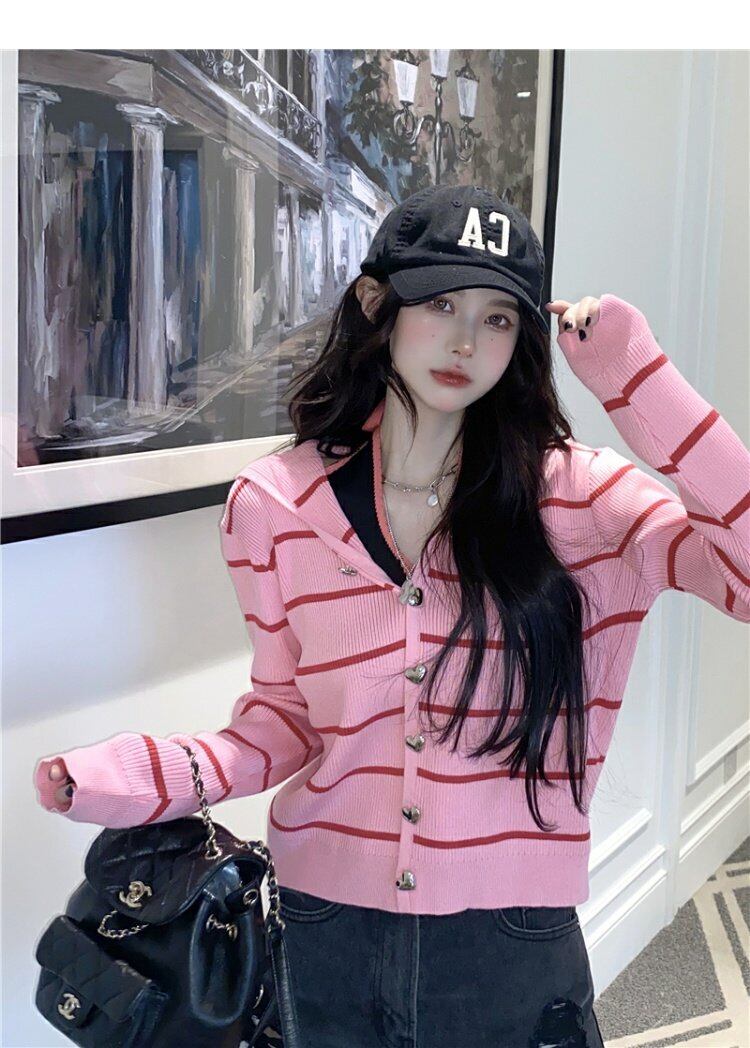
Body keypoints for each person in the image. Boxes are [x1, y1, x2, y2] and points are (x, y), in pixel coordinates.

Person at [33, 183, 749, 1047]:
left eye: (497, 318)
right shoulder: (274, 505)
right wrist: (146, 775)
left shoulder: (583, 501)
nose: (465, 341)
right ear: (379, 305)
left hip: (508, 940)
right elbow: (286, 718)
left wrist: (638, 383)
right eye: (440, 304)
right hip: (324, 933)